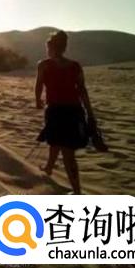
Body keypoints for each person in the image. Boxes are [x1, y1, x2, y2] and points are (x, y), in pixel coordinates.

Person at [35, 30, 96, 194]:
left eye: (48, 47)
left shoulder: (43, 64)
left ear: (51, 47)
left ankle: (77, 192)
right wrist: (89, 113)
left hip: (56, 112)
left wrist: (37, 100)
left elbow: (39, 84)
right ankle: (49, 168)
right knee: (55, 141)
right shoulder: (75, 66)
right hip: (74, 111)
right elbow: (82, 90)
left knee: (67, 153)